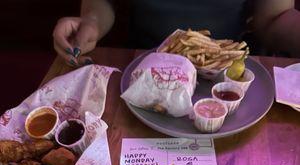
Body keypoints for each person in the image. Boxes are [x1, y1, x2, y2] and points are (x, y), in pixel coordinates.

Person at [53, 0, 300, 67]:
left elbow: (273, 19)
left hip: (228, 72)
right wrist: (90, 23)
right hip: (143, 67)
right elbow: (100, 4)